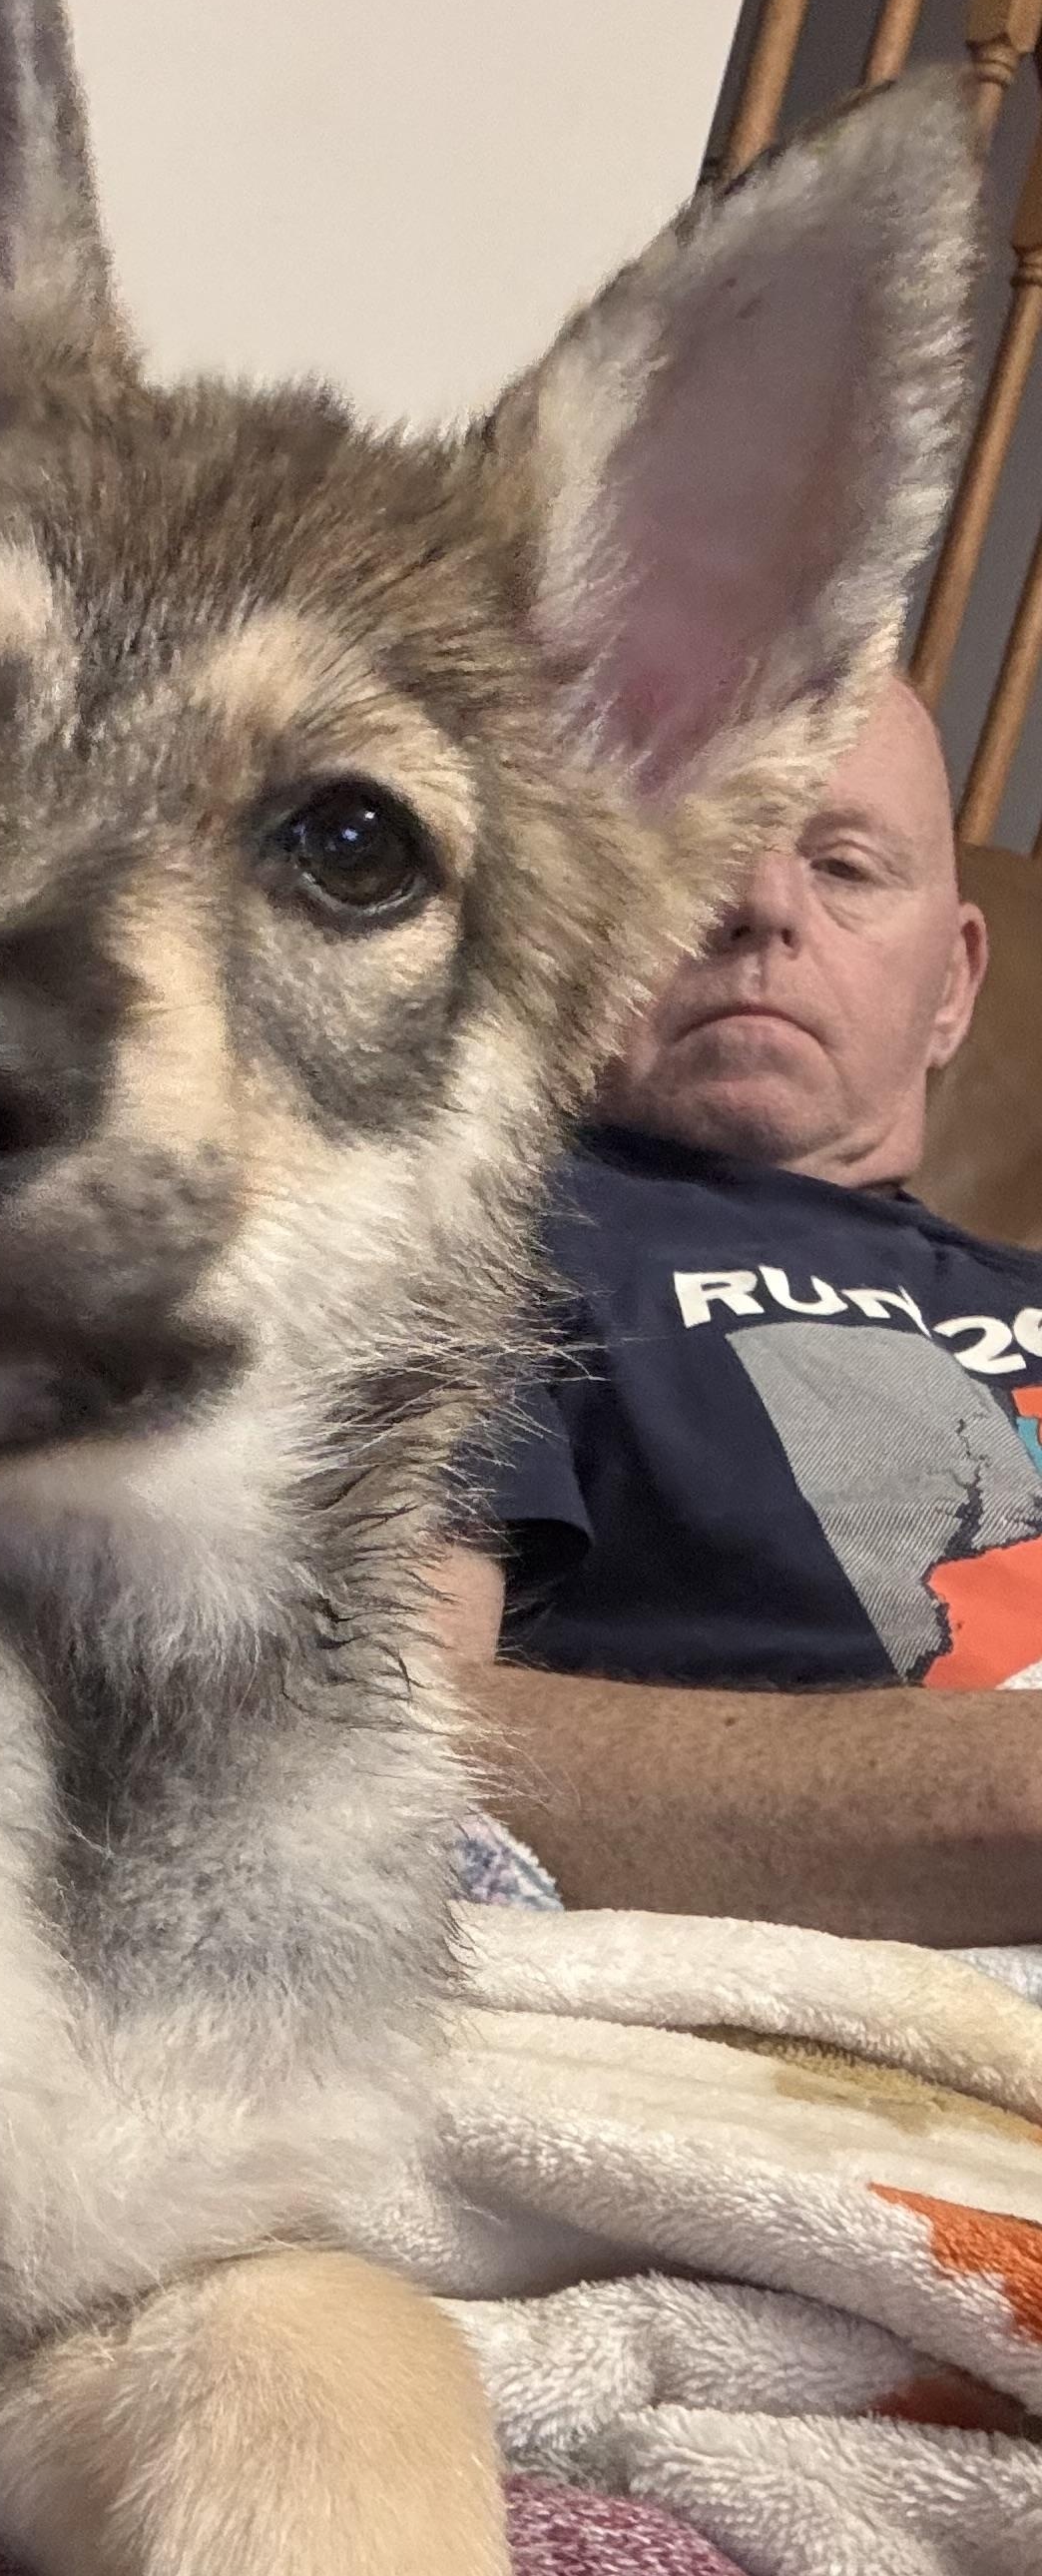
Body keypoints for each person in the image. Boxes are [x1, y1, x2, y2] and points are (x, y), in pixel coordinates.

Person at [441, 676, 1042, 1945]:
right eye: (702, 843)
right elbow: (370, 1733)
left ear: (953, 985)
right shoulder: (478, 1229)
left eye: (845, 866)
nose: (763, 904)